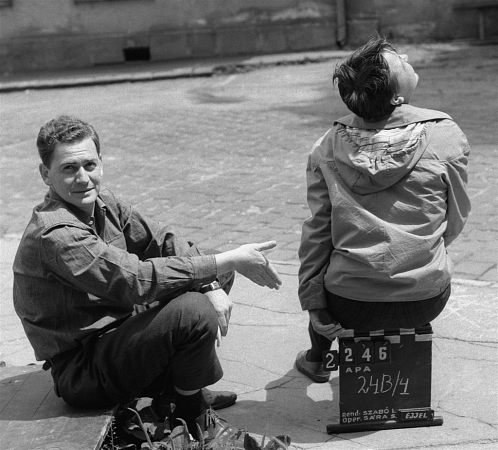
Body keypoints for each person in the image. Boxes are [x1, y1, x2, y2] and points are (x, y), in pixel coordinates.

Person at [13, 115, 283, 442]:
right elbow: (135, 281)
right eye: (69, 168)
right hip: (84, 369)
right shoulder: (54, 234)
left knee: (207, 269)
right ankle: (192, 411)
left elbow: (164, 242)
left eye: (90, 164)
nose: (83, 178)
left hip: (120, 336)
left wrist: (213, 278)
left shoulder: (104, 203)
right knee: (193, 311)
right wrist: (227, 261)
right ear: (46, 174)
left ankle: (175, 393)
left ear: (101, 163)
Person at [295, 36, 471, 383]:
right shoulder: (445, 136)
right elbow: (455, 218)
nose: (406, 56)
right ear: (397, 97)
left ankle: (317, 358)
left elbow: (317, 235)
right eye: (399, 61)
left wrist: (313, 302)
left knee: (329, 267)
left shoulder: (326, 147)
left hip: (348, 304)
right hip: (426, 298)